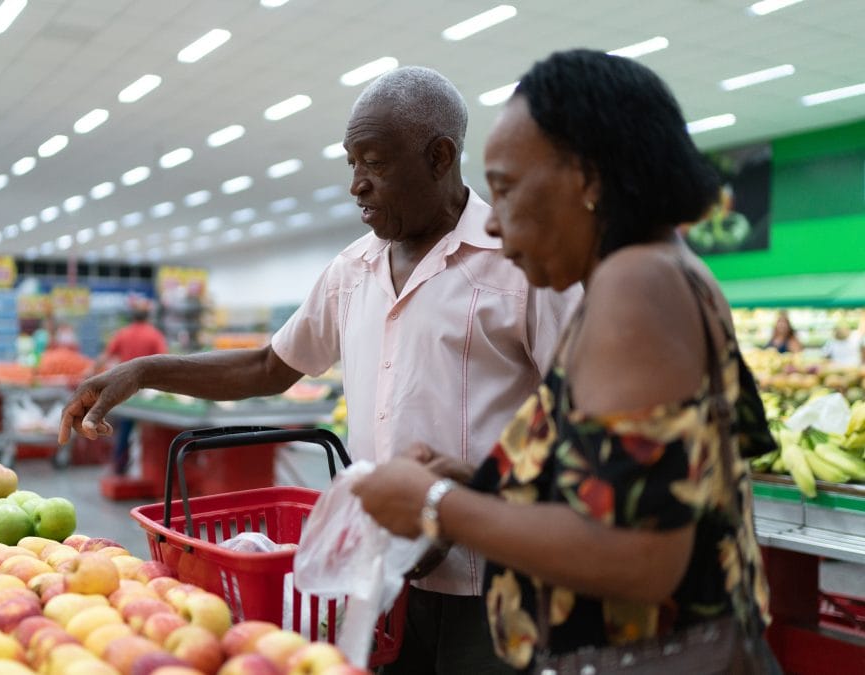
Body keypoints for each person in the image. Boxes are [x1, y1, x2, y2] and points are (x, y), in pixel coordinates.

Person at [61, 66, 580, 674]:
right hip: (381, 577)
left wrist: (471, 488)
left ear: (440, 157)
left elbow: (580, 418)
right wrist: (144, 370)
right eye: (351, 164)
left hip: (497, 576)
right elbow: (268, 366)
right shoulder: (351, 270)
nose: (357, 185)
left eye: (375, 163)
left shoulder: (518, 266)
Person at [352, 49, 777, 672]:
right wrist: (487, 482)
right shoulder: (663, 271)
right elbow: (650, 488)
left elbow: (640, 556)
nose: (492, 223)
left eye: (505, 188)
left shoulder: (636, 286)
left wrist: (436, 502)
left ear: (589, 178)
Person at [100, 298, 168, 474]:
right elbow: (167, 362)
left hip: (126, 389)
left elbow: (106, 356)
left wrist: (90, 372)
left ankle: (119, 466)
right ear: (148, 316)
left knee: (125, 428)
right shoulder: (154, 335)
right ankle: (154, 468)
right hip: (149, 392)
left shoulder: (123, 333)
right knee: (152, 430)